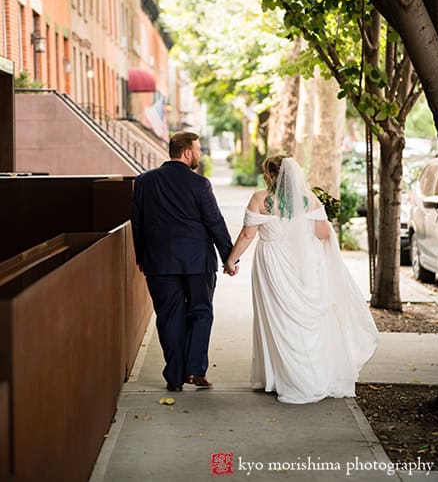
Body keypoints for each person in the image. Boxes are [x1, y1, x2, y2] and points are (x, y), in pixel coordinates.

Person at [224, 155, 378, 404]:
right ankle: (311, 375)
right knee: (308, 322)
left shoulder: (260, 198)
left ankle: (280, 378)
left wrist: (231, 260)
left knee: (277, 318)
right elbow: (323, 232)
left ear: (269, 174)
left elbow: (246, 234)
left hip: (272, 263)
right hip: (304, 265)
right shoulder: (308, 199)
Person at [131, 131, 234, 392]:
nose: (200, 155)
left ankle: (174, 377)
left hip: (159, 262)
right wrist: (229, 256)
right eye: (198, 150)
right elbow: (214, 221)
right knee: (201, 312)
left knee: (168, 316)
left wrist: (141, 256)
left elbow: (138, 223)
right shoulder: (199, 184)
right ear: (187, 153)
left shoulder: (143, 182)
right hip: (197, 261)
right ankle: (195, 370)